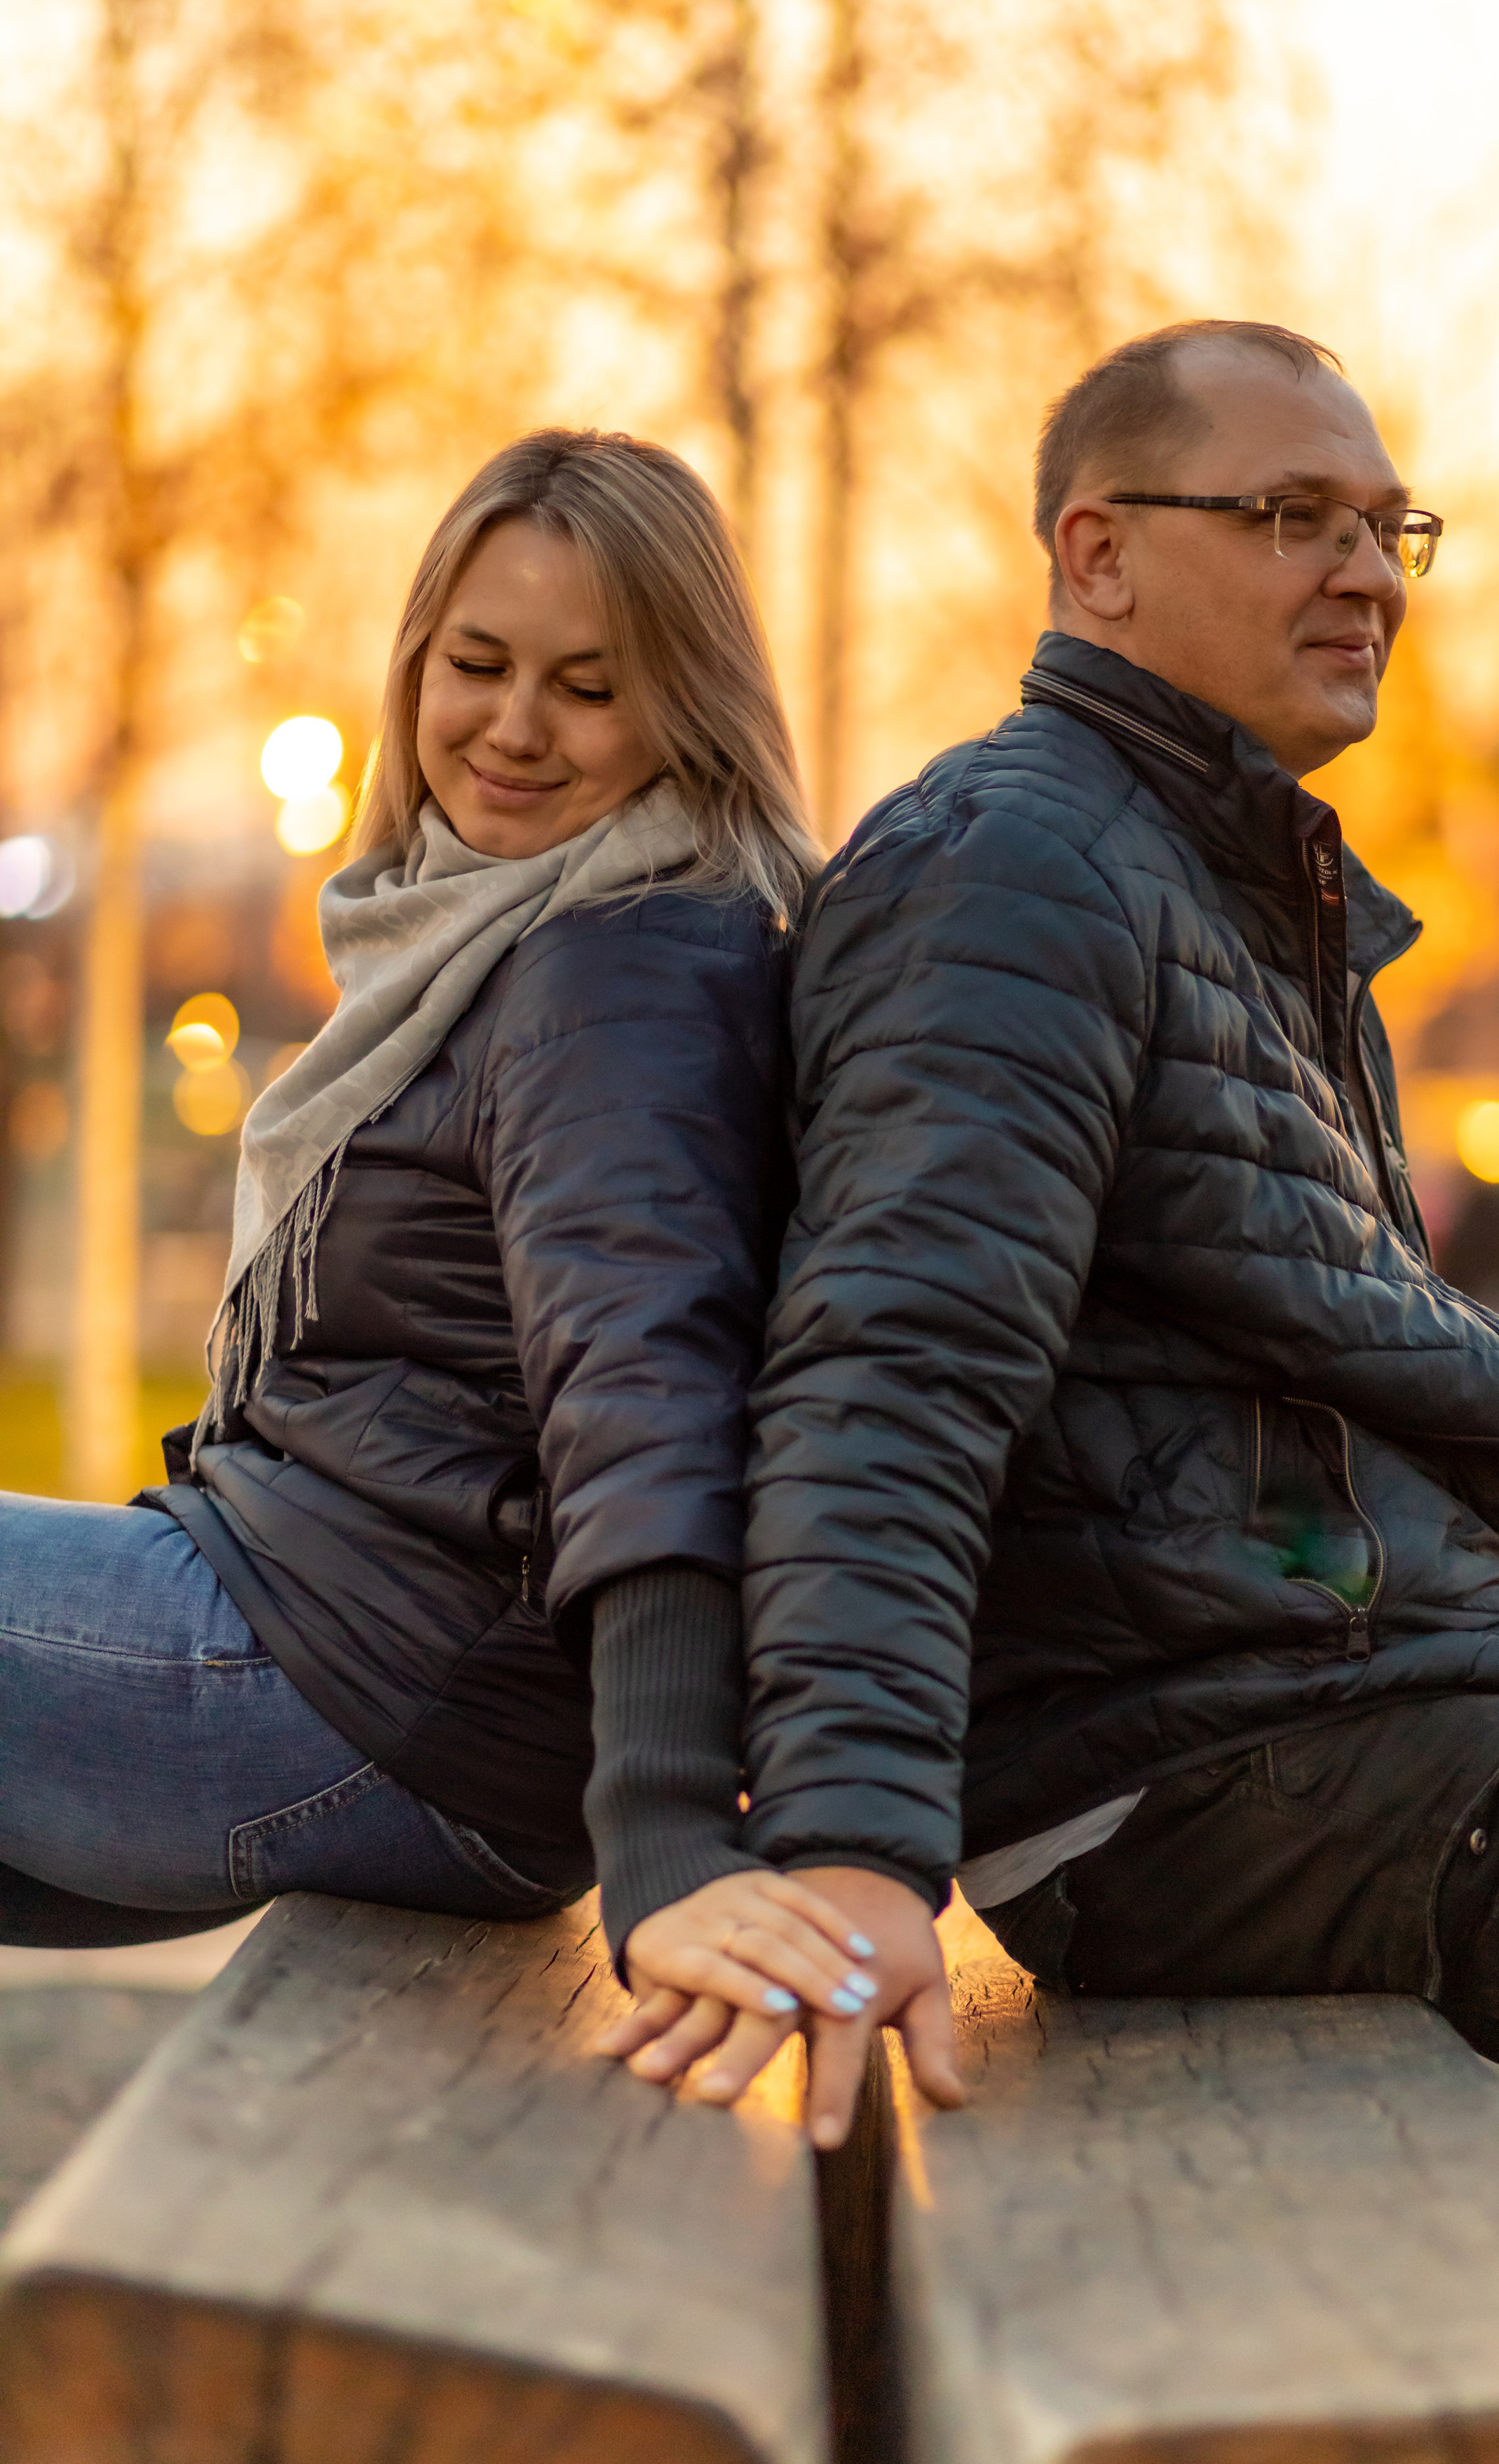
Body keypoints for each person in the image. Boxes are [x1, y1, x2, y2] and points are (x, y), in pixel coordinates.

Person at [609, 320, 1499, 2367]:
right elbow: (891, 1380)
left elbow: (1384, 1376)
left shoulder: (1230, 893)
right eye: (1290, 517)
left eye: (1386, 527)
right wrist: (863, 1847)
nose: (1365, 576)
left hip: (1320, 1711)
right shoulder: (1016, 876)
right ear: (1097, 555)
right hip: (1183, 1773)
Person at [0, 425, 887, 2066]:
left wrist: (666, 1831)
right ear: (414, 665)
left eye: (588, 687)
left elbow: (648, 1383)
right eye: (477, 666)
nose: (515, 727)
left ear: (683, 705)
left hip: (358, 1684)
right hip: (371, 1667)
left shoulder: (617, 970)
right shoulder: (528, 934)